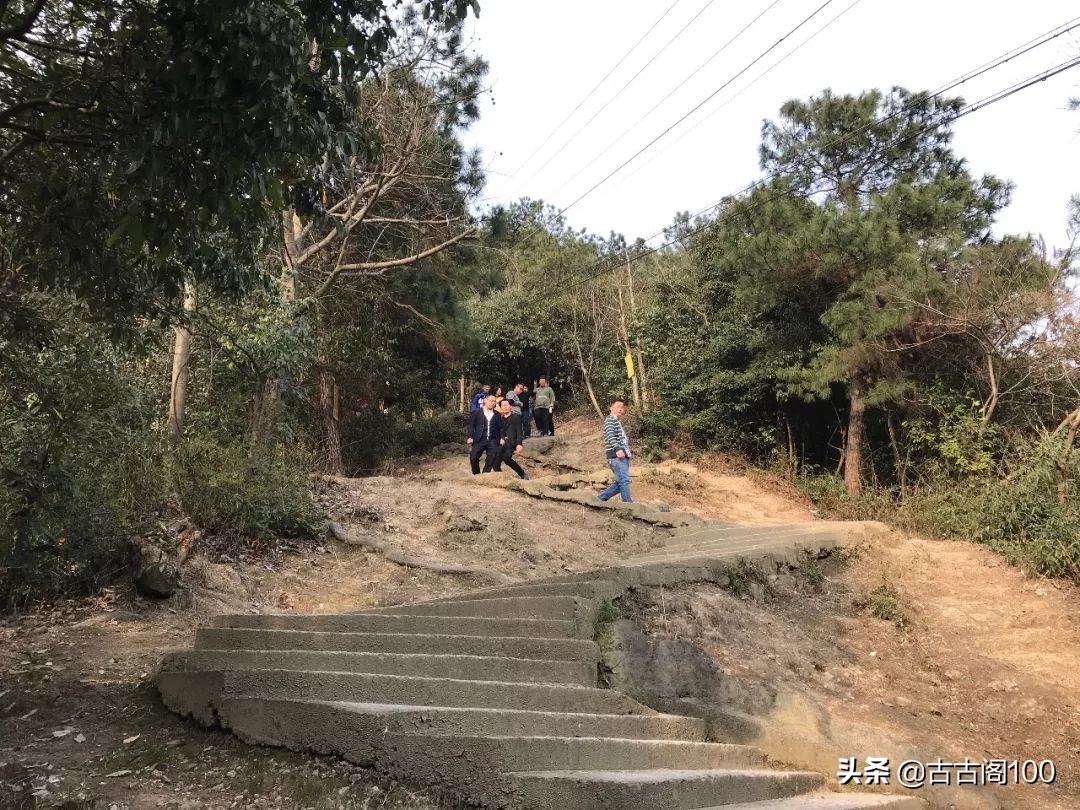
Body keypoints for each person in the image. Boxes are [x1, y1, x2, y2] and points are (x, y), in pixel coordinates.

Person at [597, 399, 632, 502]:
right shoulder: (610, 419)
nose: (621, 409)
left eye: (622, 407)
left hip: (622, 455)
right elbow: (610, 435)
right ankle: (628, 505)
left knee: (620, 482)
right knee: (624, 481)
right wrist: (617, 449)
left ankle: (599, 498)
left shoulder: (617, 421)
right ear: (611, 408)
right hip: (617, 455)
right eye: (618, 406)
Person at [466, 394, 505, 474]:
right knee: (473, 457)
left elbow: (501, 428)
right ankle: (476, 474)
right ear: (485, 401)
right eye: (491, 400)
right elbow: (471, 425)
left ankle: (485, 474)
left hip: (493, 439)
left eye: (494, 401)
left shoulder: (497, 414)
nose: (493, 403)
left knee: (491, 458)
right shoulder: (476, 412)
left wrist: (502, 438)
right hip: (480, 439)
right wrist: (470, 436)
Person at [493, 399, 529, 479]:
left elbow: (519, 431)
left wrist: (519, 444)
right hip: (500, 443)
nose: (505, 407)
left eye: (506, 405)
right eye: (503, 405)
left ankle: (522, 474)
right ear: (501, 407)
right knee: (495, 463)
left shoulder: (516, 417)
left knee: (506, 458)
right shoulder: (499, 418)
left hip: (511, 443)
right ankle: (501, 479)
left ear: (510, 406)